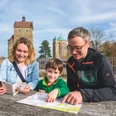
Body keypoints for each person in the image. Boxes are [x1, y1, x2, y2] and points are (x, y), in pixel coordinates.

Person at [62, 27, 116, 105]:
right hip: (77, 105)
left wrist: (83, 94)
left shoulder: (100, 60)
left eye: (78, 48)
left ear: (87, 44)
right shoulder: (70, 63)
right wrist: (58, 90)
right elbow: (71, 88)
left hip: (100, 105)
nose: (73, 52)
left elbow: (112, 91)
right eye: (70, 47)